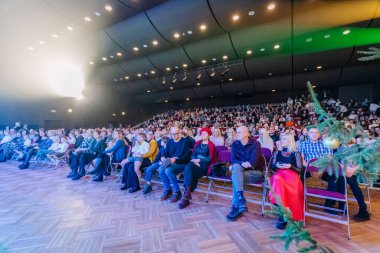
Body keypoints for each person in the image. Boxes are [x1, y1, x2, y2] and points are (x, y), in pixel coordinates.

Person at [226, 126, 264, 221]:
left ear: (247, 133)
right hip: (240, 170)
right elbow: (233, 160)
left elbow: (253, 162)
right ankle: (240, 200)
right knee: (236, 169)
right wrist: (242, 163)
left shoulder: (256, 144)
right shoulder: (235, 144)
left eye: (239, 132)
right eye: (237, 132)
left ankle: (236, 205)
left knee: (236, 176)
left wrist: (243, 163)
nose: (237, 134)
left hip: (255, 172)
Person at [269, 134, 303, 229]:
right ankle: (282, 213)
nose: (282, 140)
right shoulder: (277, 152)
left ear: (290, 140)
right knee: (277, 179)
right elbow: (272, 167)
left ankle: (282, 214)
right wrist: (277, 166)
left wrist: (290, 166)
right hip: (279, 174)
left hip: (292, 175)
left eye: (284, 139)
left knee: (278, 180)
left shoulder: (296, 153)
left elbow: (300, 170)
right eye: (281, 139)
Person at [178, 128, 217, 209]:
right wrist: (194, 160)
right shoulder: (198, 143)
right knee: (188, 167)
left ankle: (186, 195)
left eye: (205, 133)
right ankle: (187, 194)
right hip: (194, 164)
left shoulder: (211, 145)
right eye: (202, 133)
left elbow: (210, 159)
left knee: (188, 168)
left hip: (204, 166)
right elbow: (193, 154)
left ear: (209, 135)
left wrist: (199, 160)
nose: (204, 135)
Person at [158, 126, 191, 203]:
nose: (174, 136)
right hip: (171, 162)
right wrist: (163, 157)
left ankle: (177, 192)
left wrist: (176, 159)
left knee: (168, 170)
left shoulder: (185, 142)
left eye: (176, 134)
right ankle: (168, 190)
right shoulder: (170, 141)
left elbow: (186, 158)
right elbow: (166, 152)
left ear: (179, 133)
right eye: (172, 134)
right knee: (160, 170)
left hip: (182, 163)